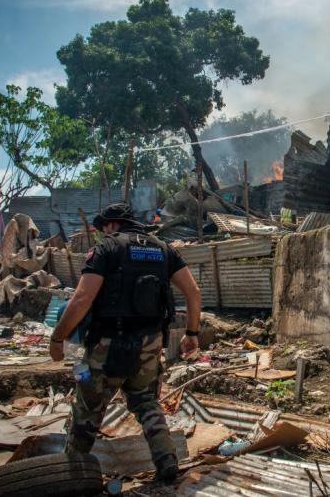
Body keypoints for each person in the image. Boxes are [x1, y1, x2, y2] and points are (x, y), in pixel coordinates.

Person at [48, 203, 201, 482]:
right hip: (150, 344)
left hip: (106, 347)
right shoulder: (163, 249)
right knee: (146, 403)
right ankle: (167, 460)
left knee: (88, 409)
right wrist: (192, 334)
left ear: (110, 225)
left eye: (102, 227)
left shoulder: (106, 248)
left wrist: (58, 337)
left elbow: (82, 299)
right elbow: (193, 292)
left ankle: (74, 476)